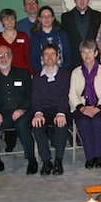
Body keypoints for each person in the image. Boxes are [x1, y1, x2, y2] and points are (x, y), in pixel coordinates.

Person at [0, 45, 36, 177]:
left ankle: (31, 159)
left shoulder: (23, 74)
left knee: (21, 124)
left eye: (6, 54)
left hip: (23, 112)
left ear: (11, 56)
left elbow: (30, 97)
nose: (3, 58)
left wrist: (21, 109)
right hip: (2, 114)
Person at [69, 39, 101, 169]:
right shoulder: (76, 72)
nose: (87, 55)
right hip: (82, 107)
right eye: (84, 52)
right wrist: (82, 108)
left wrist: (98, 108)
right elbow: (72, 95)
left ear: (95, 53)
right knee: (83, 122)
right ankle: (90, 156)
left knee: (97, 121)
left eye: (90, 52)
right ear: (81, 55)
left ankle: (98, 155)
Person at [31, 44, 71, 175]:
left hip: (61, 108)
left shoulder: (65, 75)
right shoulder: (37, 77)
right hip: (44, 111)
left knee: (61, 124)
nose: (49, 57)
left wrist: (61, 113)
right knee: (36, 125)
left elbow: (65, 96)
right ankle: (46, 161)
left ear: (57, 57)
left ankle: (58, 160)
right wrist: (38, 113)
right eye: (46, 54)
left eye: (52, 54)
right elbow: (36, 99)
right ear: (42, 58)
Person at [61, 0, 101, 70]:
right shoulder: (66, 17)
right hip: (74, 60)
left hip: (93, 60)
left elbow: (99, 38)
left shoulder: (97, 16)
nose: (82, 1)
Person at [30, 6, 72, 73]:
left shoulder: (62, 34)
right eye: (43, 16)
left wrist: (62, 72)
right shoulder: (35, 37)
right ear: (39, 19)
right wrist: (41, 74)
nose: (46, 18)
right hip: (43, 75)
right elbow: (34, 59)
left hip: (61, 74)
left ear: (53, 18)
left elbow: (67, 55)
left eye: (49, 16)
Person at [0, 8, 33, 75]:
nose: (10, 22)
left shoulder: (23, 36)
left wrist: (31, 73)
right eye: (6, 19)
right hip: (4, 74)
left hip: (23, 73)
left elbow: (29, 57)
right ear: (2, 21)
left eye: (12, 19)